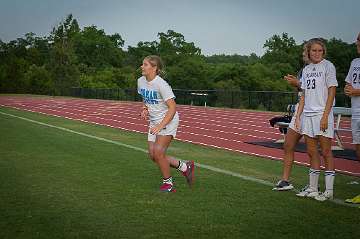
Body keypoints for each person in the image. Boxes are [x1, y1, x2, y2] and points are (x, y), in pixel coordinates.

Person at [138, 55, 194, 192]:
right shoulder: (140, 81)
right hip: (154, 122)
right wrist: (145, 109)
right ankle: (185, 167)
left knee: (158, 153)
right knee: (153, 155)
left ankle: (168, 184)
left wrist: (161, 125)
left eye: (145, 64)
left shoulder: (161, 84)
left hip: (168, 120)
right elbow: (145, 98)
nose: (142, 66)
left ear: (154, 68)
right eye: (142, 64)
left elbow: (173, 107)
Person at [273, 42, 321, 191]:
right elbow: (303, 91)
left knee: (311, 150)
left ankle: (314, 185)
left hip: (312, 113)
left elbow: (314, 91)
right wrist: (296, 84)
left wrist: (297, 83)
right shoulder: (304, 70)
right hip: (300, 112)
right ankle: (285, 180)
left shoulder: (323, 69)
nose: (303, 54)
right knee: (288, 145)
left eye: (304, 51)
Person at [294, 38, 338, 201]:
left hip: (321, 114)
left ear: (323, 52)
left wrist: (326, 115)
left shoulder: (328, 66)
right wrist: (298, 116)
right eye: (314, 50)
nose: (317, 53)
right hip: (308, 115)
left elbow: (332, 91)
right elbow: (304, 95)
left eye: (320, 50)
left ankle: (328, 191)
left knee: (326, 152)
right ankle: (313, 188)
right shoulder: (306, 70)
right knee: (311, 152)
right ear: (308, 52)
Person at [344, 32, 360, 204]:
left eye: (358, 40)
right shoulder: (354, 62)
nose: (356, 43)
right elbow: (348, 82)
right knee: (358, 149)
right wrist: (348, 89)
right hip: (355, 112)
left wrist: (356, 91)